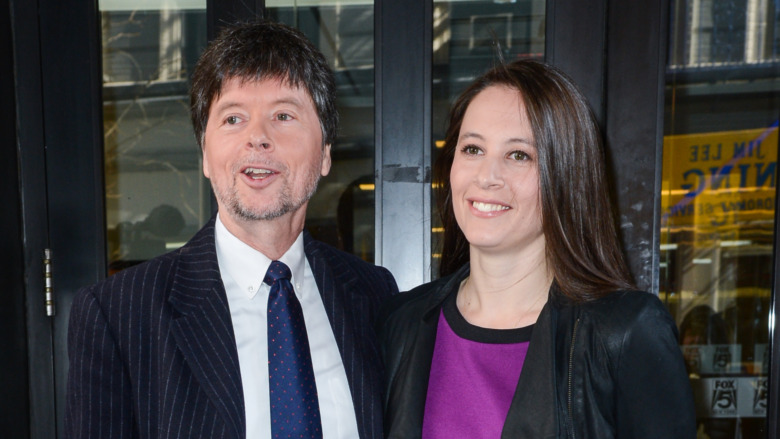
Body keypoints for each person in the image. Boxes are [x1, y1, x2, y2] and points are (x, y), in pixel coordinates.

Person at [65, 20, 398, 439]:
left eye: (283, 115)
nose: (257, 137)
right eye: (233, 118)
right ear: (205, 153)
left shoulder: (374, 295)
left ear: (325, 153)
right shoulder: (118, 315)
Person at [378, 59, 696, 438]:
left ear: (566, 177)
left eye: (519, 155)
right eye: (473, 149)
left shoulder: (625, 333)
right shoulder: (400, 324)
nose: (487, 177)